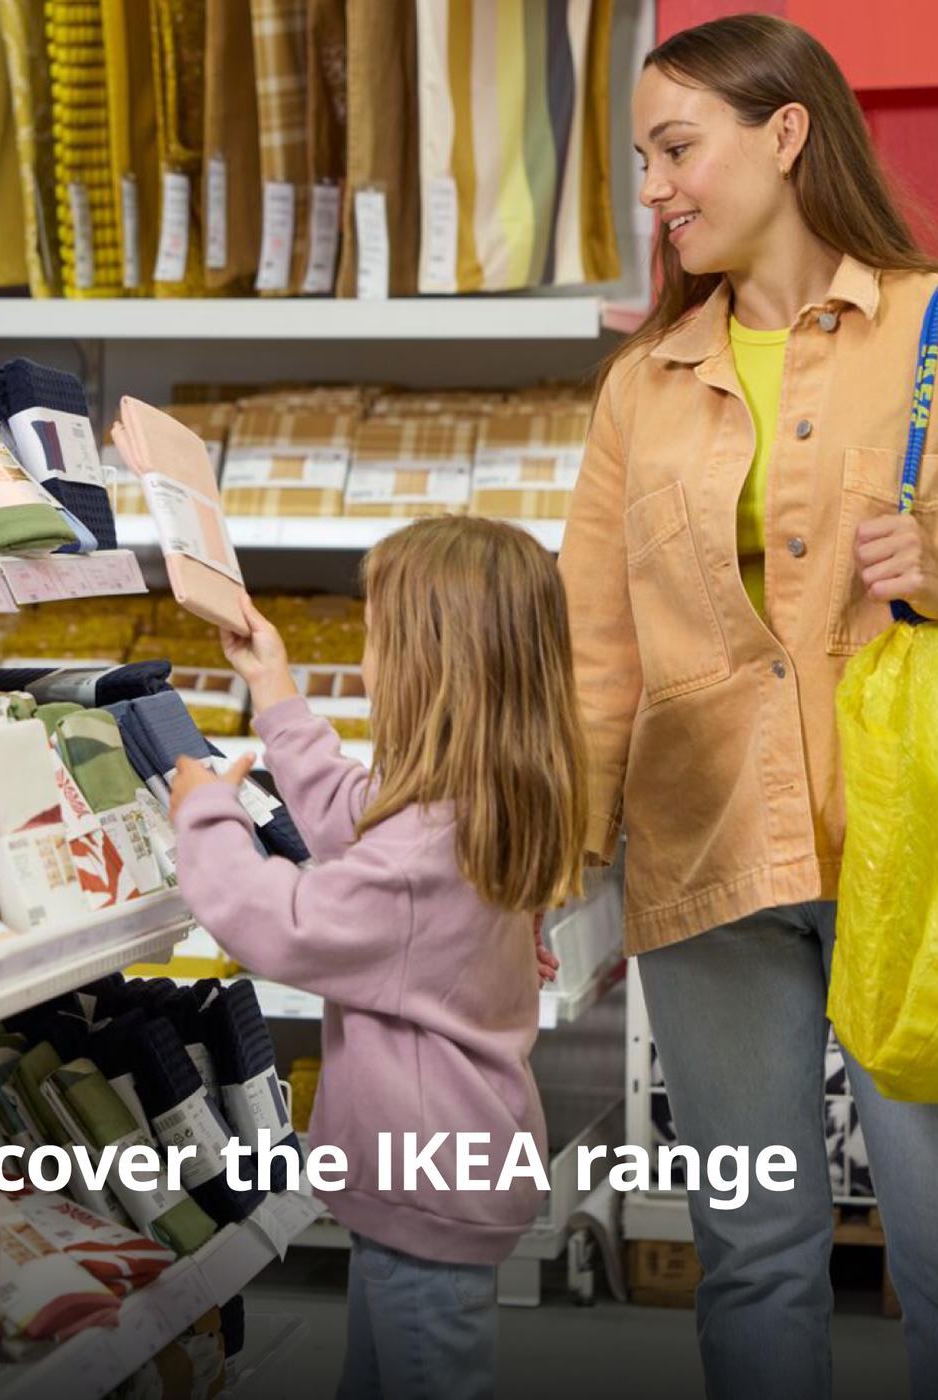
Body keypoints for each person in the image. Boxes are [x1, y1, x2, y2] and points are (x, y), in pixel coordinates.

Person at [559, 15, 938, 1400]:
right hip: (706, 854)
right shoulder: (641, 389)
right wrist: (569, 856)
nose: (656, 188)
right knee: (751, 1245)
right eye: (645, 158)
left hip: (914, 856)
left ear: (786, 134)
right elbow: (597, 649)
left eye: (677, 148)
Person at [168, 516, 587, 1400]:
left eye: (376, 639)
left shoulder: (424, 851)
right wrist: (274, 688)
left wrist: (207, 816)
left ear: (428, 667)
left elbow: (274, 922)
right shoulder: (490, 798)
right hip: (442, 1180)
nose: (365, 663)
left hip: (423, 1194)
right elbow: (356, 814)